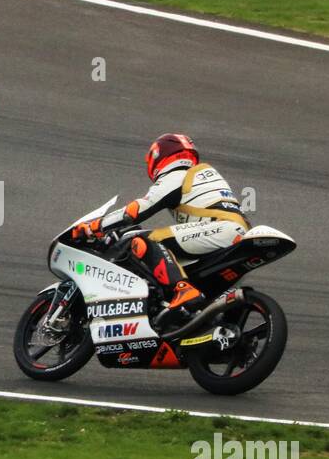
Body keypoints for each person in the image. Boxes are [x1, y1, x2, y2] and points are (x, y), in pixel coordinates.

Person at [71, 133, 250, 330]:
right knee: (175, 264)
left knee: (140, 240)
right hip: (231, 233)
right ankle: (215, 323)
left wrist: (94, 226)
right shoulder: (201, 175)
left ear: (158, 156)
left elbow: (137, 210)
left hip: (220, 230)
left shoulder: (177, 175)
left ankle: (182, 290)